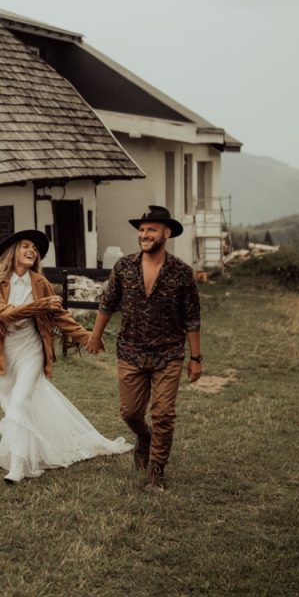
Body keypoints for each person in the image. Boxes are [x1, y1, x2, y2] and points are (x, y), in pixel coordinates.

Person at [0, 229, 132, 484]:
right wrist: (42, 305)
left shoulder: (41, 283)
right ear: (13, 253)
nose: (32, 251)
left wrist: (88, 337)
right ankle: (34, 452)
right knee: (16, 407)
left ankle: (18, 467)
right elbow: (4, 314)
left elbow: (60, 316)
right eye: (26, 246)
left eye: (35, 249)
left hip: (32, 351)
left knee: (19, 403)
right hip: (4, 354)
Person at [86, 205, 203, 492]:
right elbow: (107, 303)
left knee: (163, 414)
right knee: (130, 413)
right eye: (141, 229)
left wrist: (196, 358)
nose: (144, 234)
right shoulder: (124, 266)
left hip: (169, 353)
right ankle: (144, 436)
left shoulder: (182, 273)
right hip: (130, 351)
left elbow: (192, 318)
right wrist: (95, 335)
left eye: (151, 229)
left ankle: (156, 472)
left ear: (166, 233)